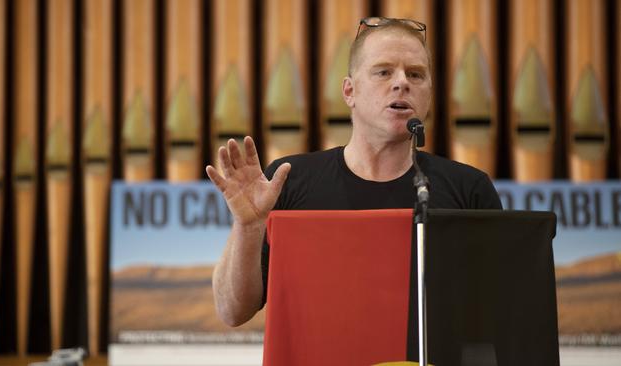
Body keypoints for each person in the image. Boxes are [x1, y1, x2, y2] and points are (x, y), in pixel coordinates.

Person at [205, 17, 502, 327]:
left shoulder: (469, 188)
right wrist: (249, 226)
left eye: (416, 74)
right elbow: (232, 312)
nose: (402, 82)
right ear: (349, 91)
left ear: (428, 94)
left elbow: (499, 312)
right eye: (384, 72)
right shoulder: (288, 178)